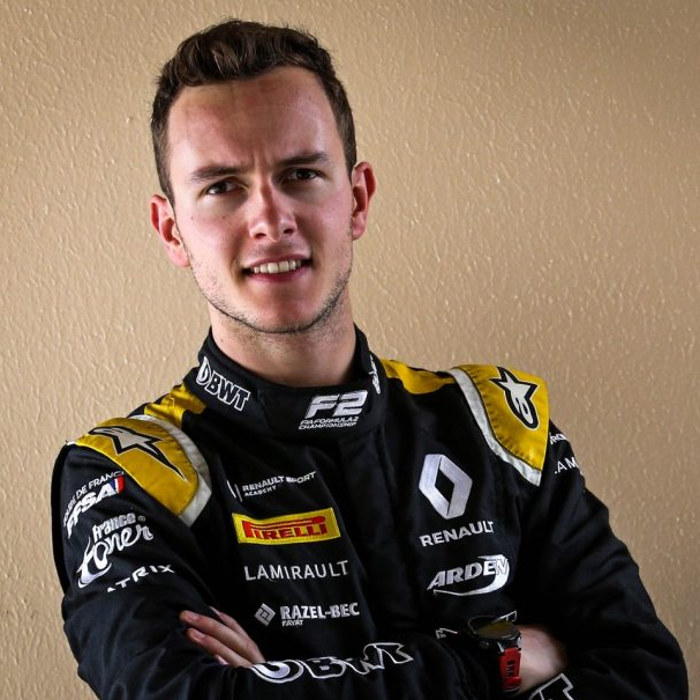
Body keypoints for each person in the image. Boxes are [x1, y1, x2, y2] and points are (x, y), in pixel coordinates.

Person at [51, 18, 687, 700]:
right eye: (222, 187)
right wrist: (491, 660)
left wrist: (278, 683)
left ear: (356, 199)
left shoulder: (496, 425)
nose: (269, 219)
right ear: (172, 229)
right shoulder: (127, 475)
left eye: (300, 174)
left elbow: (648, 676)